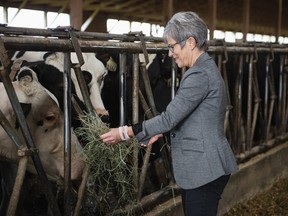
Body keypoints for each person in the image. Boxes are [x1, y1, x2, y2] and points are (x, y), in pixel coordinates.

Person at [100, 11, 238, 216]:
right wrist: (160, 131)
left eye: (172, 46)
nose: (170, 53)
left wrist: (125, 132)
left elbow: (169, 117)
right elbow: (190, 116)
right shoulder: (204, 68)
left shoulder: (199, 74)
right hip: (204, 167)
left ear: (190, 42)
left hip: (204, 169)